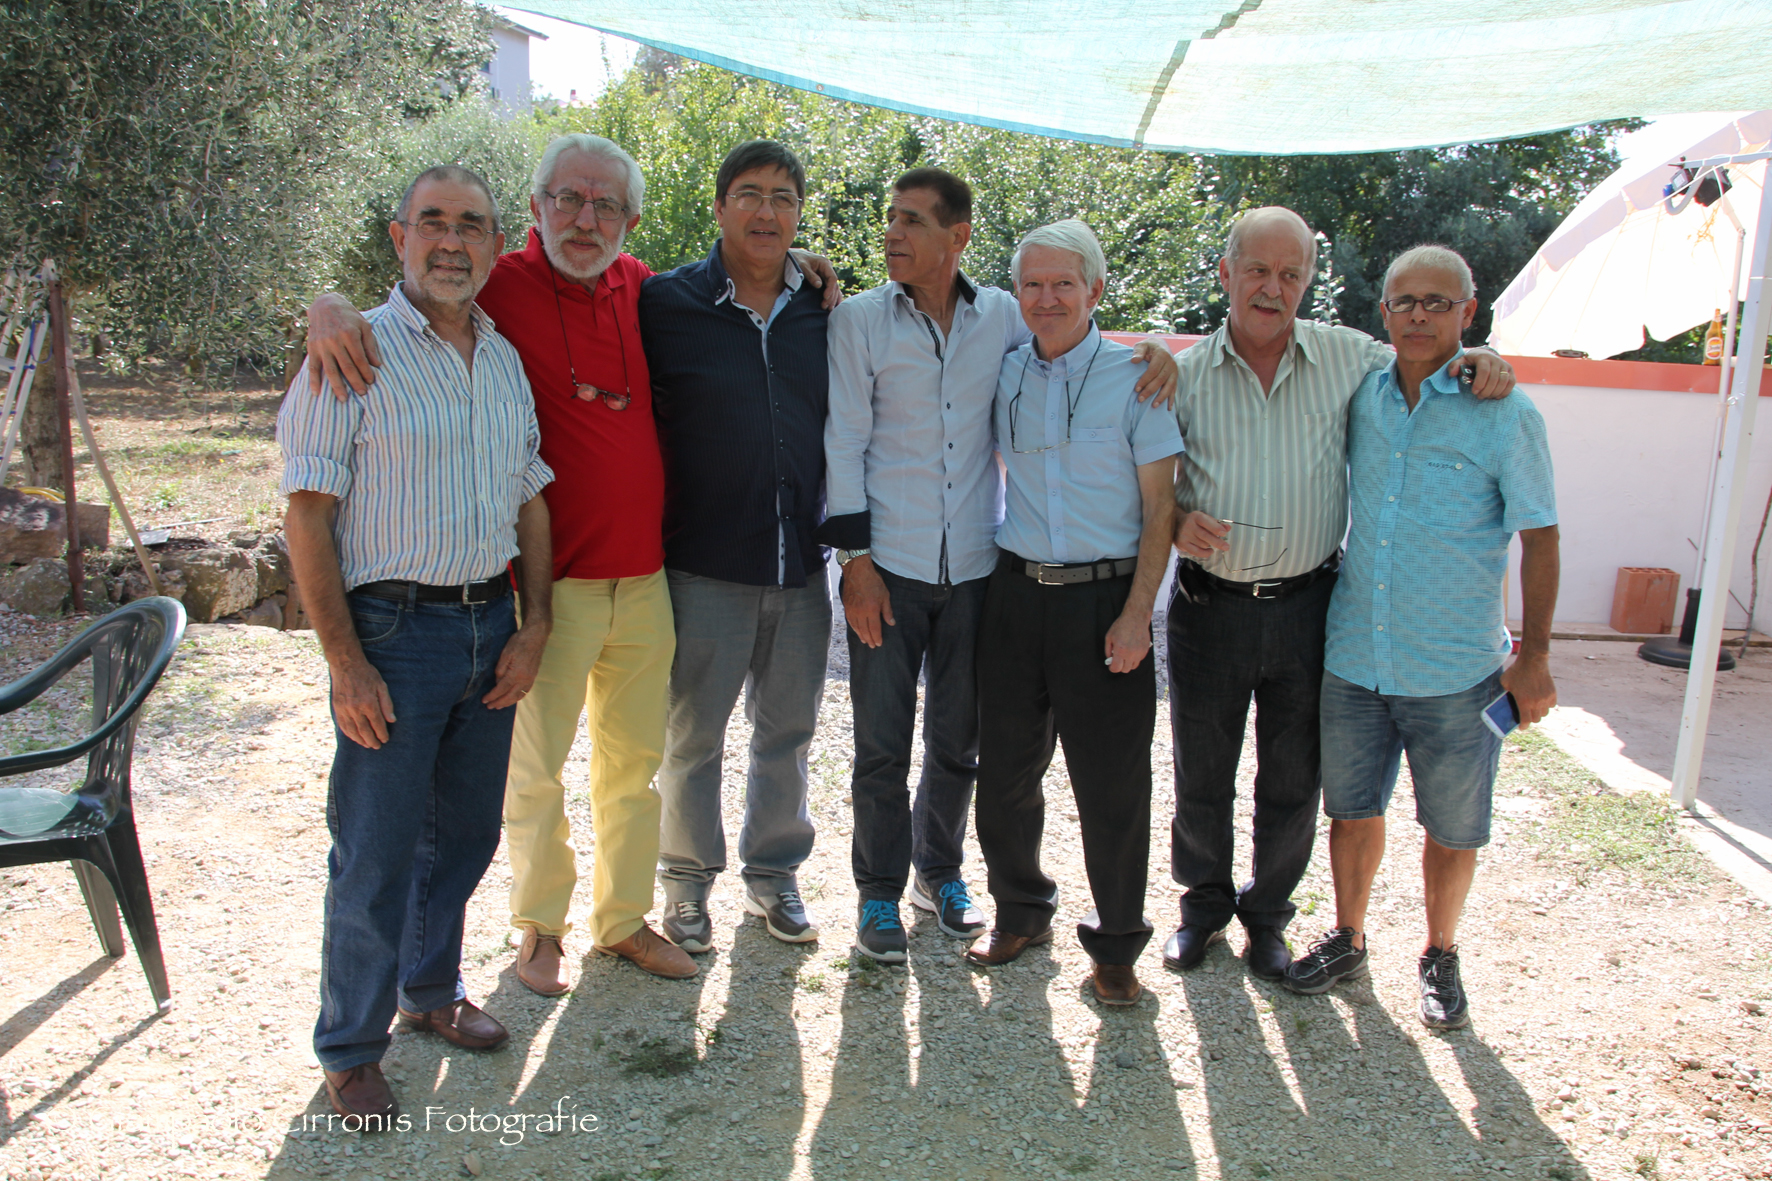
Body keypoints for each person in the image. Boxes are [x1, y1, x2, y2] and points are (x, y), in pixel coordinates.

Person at [302, 136, 843, 995]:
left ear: (631, 220)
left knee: (634, 768)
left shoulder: (650, 293)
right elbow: (413, 286)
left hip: (649, 576)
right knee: (534, 770)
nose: (584, 220)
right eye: (567, 199)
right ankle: (540, 926)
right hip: (543, 589)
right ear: (535, 209)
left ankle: (622, 920)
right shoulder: (498, 284)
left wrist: (801, 261)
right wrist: (328, 304)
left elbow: (745, 273)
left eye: (605, 205)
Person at [818, 169, 1179, 962]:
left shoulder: (1005, 319)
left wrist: (1158, 351)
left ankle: (939, 874)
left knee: (960, 742)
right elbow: (842, 443)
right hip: (891, 566)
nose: (893, 234)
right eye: (890, 218)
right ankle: (878, 891)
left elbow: (1076, 335)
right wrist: (855, 561)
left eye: (912, 221)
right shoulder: (860, 322)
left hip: (981, 571)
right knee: (881, 744)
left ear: (958, 238)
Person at [1164, 207, 1516, 980]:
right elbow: (1148, 477)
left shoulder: (1349, 357)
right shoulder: (1180, 373)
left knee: (1293, 778)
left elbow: (1428, 353)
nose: (1272, 288)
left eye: (1291, 274)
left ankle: (1267, 917)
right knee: (1203, 770)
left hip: (1309, 607)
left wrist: (1482, 356)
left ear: (1307, 284)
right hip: (1208, 607)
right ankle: (1203, 907)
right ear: (1225, 274)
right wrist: (1177, 519)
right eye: (1258, 270)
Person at [280, 166, 554, 1124]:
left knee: (467, 834)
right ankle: (351, 1047)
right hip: (393, 633)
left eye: (471, 224)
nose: (451, 241)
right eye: (431, 222)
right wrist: (345, 662)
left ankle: (430, 990)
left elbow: (531, 495)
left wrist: (536, 621)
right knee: (376, 849)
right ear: (398, 237)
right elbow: (308, 513)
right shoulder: (352, 350)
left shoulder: (503, 357)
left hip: (490, 624)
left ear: (495, 244)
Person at [1283, 244, 1558, 1031]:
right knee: (1351, 811)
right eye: (1405, 300)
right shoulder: (1363, 395)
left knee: (1452, 826)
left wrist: (1535, 656)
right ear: (1384, 310)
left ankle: (1440, 951)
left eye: (1439, 302)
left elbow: (1541, 536)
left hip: (1457, 668)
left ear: (1468, 312)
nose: (1419, 315)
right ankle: (1348, 936)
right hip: (1356, 657)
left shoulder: (1505, 412)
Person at [963, 219, 1183, 1007]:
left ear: (1096, 290)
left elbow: (1161, 509)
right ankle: (1021, 910)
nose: (1047, 298)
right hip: (1015, 595)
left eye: (1064, 283)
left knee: (1112, 785)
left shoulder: (1138, 377)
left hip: (1105, 600)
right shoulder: (1002, 371)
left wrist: (1137, 614)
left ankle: (1117, 945)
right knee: (1005, 775)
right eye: (1032, 283)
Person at [640, 140, 832, 949]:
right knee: (693, 740)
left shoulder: (825, 309)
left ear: (798, 215)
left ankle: (774, 877)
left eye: (784, 198)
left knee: (787, 735)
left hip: (802, 569)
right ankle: (686, 887)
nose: (766, 211)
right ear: (719, 207)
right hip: (703, 567)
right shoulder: (664, 303)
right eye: (749, 194)